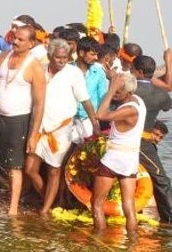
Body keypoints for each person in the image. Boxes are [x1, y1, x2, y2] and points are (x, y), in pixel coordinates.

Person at [24, 39, 97, 214]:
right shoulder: (40, 70)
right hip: (39, 128)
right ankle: (50, 199)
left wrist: (95, 124)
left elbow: (85, 100)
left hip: (61, 130)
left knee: (54, 170)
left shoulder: (74, 73)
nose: (62, 61)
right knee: (30, 169)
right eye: (58, 58)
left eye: (65, 58)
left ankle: (45, 209)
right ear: (49, 56)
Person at [0, 25, 45, 215]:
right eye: (14, 38)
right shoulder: (3, 57)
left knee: (15, 166)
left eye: (20, 39)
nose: (15, 42)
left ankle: (12, 208)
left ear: (31, 43)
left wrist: (33, 135)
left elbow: (39, 105)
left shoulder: (34, 66)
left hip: (18, 120)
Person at [92, 73, 146, 231]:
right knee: (128, 204)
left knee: (96, 203)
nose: (115, 94)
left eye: (118, 92)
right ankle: (132, 241)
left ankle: (98, 240)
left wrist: (110, 91)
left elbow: (100, 115)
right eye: (115, 91)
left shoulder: (129, 110)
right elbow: (124, 82)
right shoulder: (138, 101)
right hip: (130, 160)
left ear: (128, 93)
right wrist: (113, 79)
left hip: (114, 159)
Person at [132, 55, 172, 223]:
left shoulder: (129, 89)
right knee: (162, 179)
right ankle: (168, 219)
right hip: (141, 142)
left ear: (139, 72)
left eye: (133, 70)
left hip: (127, 139)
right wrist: (168, 62)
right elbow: (167, 104)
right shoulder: (160, 94)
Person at [72, 36, 107, 142]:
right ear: (81, 53)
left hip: (89, 121)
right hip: (68, 120)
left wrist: (97, 124)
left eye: (96, 54)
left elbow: (102, 98)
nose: (96, 58)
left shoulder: (99, 72)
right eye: (92, 54)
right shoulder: (68, 70)